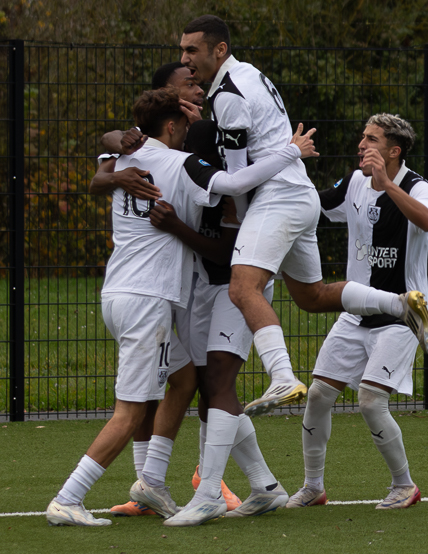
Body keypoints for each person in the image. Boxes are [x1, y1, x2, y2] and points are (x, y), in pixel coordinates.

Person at [46, 88, 314, 526]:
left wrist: (117, 153)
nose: (189, 132)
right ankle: (68, 498)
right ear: (171, 126)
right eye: (184, 124)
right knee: (131, 410)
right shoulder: (178, 163)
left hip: (120, 294)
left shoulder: (125, 162)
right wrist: (290, 152)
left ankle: (154, 482)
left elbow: (103, 166)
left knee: (189, 377)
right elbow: (230, 183)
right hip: (148, 301)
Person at [179, 15, 428, 418]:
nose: (185, 58)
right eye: (182, 50)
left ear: (220, 50)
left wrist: (244, 221)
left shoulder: (227, 96)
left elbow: (235, 180)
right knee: (311, 296)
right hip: (298, 195)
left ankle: (282, 376)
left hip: (276, 197)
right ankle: (400, 304)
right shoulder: (250, 75)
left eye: (191, 50)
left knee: (242, 288)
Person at [89, 62, 240, 518]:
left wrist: (114, 169)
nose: (196, 88)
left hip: (177, 286)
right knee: (144, 399)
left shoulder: (207, 130)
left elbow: (109, 158)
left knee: (190, 379)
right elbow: (107, 158)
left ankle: (157, 484)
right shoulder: (150, 147)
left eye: (198, 82)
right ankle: (80, 495)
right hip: (153, 291)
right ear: (169, 101)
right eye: (187, 84)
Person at [287, 114, 428, 511]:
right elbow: (313, 206)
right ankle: (312, 487)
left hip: (403, 315)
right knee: (318, 395)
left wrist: (387, 185)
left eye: (371, 139)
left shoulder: (415, 185)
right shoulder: (353, 181)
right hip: (354, 314)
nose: (361, 145)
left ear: (393, 151)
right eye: (362, 137)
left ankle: (404, 485)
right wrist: (286, 163)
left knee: (370, 401)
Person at [153, 121, 295, 525]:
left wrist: (176, 227)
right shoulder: (183, 169)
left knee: (219, 382)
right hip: (204, 290)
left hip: (235, 289)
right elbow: (117, 146)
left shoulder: (233, 184)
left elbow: (225, 252)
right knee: (209, 391)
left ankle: (209, 493)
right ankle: (265, 486)